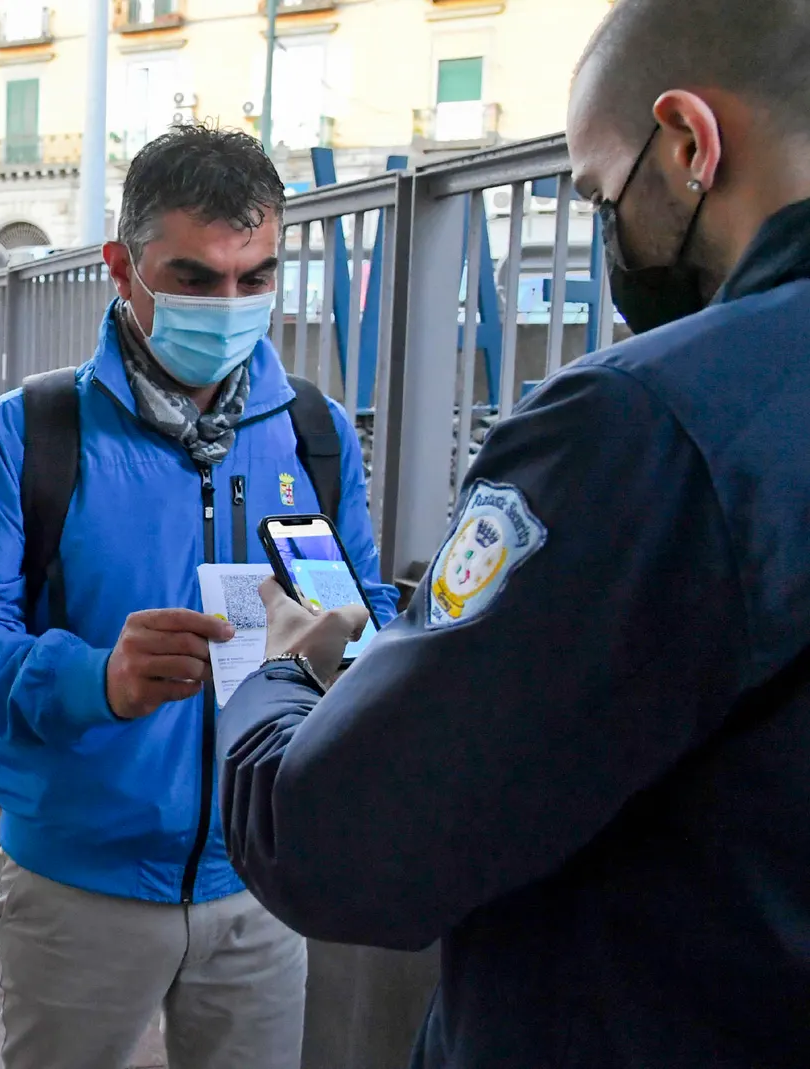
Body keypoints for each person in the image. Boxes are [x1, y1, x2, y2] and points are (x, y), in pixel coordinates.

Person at [214, 1, 810, 1065]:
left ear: (687, 143)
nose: (606, 230)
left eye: (597, 194)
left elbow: (348, 842)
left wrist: (277, 679)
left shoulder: (644, 424)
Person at [0, 126, 399, 1069]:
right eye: (192, 277)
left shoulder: (317, 432)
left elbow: (366, 597)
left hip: (262, 878)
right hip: (79, 883)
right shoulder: (29, 432)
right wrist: (100, 678)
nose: (229, 304)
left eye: (254, 278)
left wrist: (360, 647)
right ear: (119, 269)